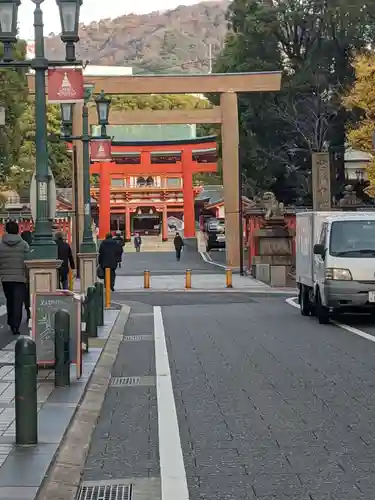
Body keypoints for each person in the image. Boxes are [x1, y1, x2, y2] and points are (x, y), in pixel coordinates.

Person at [0, 221, 29, 335]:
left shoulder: (1, 244)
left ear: (6, 230)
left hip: (6, 279)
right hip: (20, 278)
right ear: (18, 230)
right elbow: (27, 261)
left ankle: (11, 321)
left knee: (10, 300)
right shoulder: (24, 244)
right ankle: (15, 326)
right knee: (18, 302)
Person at [21, 231, 33, 321]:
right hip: (32, 274)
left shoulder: (20, 245)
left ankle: (28, 311)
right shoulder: (32, 246)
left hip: (22, 275)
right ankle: (31, 311)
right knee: (31, 293)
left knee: (25, 296)